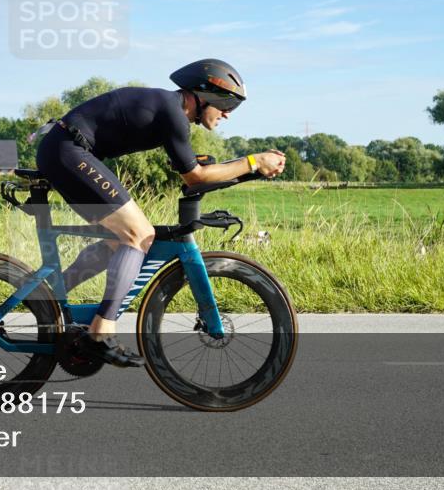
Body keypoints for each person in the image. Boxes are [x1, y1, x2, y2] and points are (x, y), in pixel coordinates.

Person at [35, 59, 286, 367]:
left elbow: (199, 170)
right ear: (207, 95)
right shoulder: (172, 113)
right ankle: (101, 331)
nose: (226, 115)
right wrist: (252, 162)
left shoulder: (170, 111)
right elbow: (195, 177)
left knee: (121, 239)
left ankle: (48, 298)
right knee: (140, 235)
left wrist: (253, 170)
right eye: (226, 106)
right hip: (68, 151)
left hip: (65, 150)